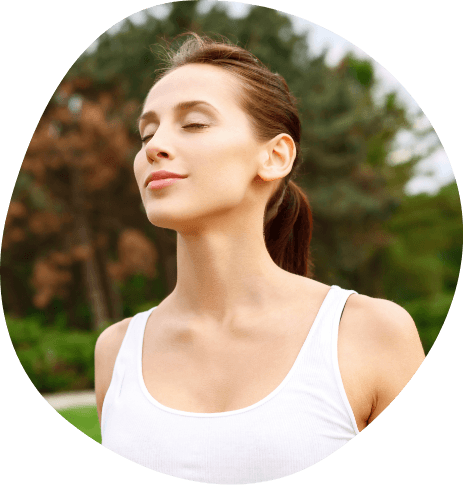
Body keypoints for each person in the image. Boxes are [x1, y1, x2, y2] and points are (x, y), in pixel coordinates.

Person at [94, 34, 425, 484]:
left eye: (193, 124)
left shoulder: (371, 334)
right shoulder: (116, 352)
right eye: (147, 132)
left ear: (274, 156)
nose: (154, 147)